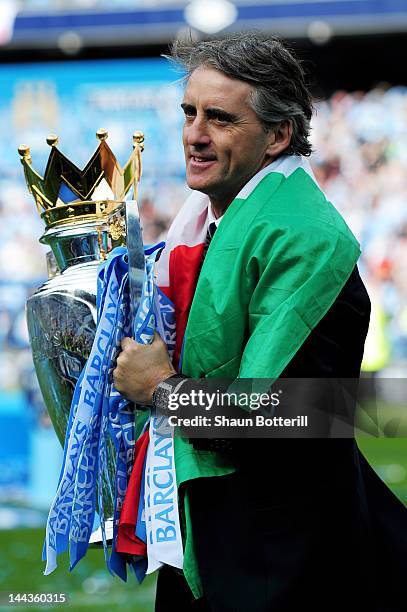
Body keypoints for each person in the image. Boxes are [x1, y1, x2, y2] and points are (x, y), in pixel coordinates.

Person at [113, 33, 407, 611]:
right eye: (190, 112)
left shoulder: (304, 242)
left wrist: (164, 391)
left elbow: (294, 416)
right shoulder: (211, 222)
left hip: (285, 564)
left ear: (277, 135)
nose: (195, 134)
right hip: (226, 538)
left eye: (220, 119)